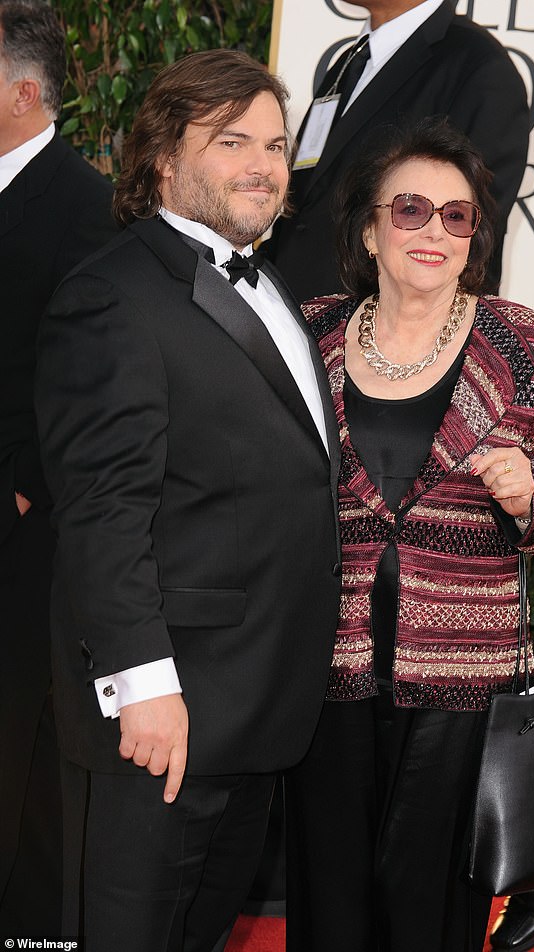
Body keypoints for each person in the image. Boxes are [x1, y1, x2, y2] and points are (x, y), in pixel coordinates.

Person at [34, 49, 342, 952]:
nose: (264, 165)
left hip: (254, 710)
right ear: (164, 158)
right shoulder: (113, 295)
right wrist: (143, 689)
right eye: (232, 140)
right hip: (165, 720)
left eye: (278, 145)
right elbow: (100, 510)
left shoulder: (268, 278)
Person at [283, 116, 534, 952]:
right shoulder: (306, 335)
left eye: (458, 217)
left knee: (428, 912)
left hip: (464, 682)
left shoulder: (524, 344)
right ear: (371, 227)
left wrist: (531, 497)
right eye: (412, 209)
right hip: (324, 671)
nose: (435, 232)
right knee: (330, 902)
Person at [0, 0, 118, 935]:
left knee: (22, 745)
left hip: (27, 536)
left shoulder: (88, 206)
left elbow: (93, 373)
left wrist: (27, 486)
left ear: (24, 91)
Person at [265, 0, 530, 299]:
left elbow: (476, 235)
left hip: (373, 328)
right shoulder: (349, 62)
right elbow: (306, 202)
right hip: (294, 312)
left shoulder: (480, 67)